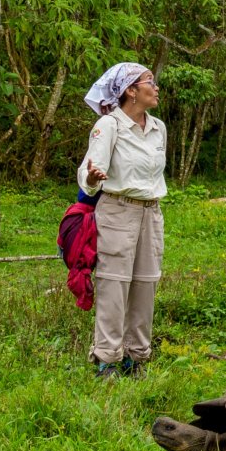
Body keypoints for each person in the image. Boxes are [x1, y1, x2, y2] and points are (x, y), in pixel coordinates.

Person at [77, 63, 167, 379]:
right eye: (149, 82)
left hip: (151, 213)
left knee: (145, 283)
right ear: (131, 90)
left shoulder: (158, 128)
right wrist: (91, 177)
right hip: (117, 210)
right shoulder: (109, 126)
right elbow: (88, 172)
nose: (155, 88)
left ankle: (136, 357)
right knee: (114, 287)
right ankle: (106, 360)